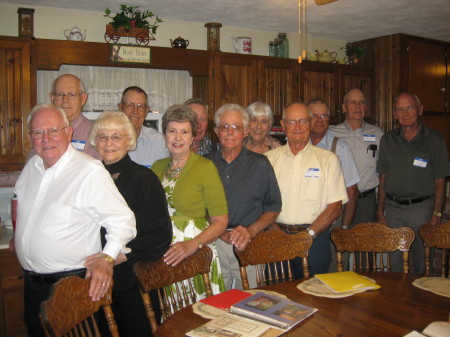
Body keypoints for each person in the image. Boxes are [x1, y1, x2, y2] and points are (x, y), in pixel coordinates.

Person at [14, 104, 136, 337]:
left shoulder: (88, 170)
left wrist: (106, 258)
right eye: (38, 132)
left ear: (68, 133)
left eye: (53, 130)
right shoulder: (31, 167)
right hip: (32, 286)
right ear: (30, 138)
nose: (45, 138)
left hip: (70, 287)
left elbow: (123, 221)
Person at [88, 111, 172, 336]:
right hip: (94, 281)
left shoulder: (144, 179)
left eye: (116, 136)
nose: (109, 143)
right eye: (103, 137)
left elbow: (160, 235)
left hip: (134, 282)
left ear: (129, 140)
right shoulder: (89, 178)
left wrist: (116, 256)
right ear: (95, 141)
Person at [151, 104, 228, 298]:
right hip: (164, 254)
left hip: (195, 254)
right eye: (172, 131)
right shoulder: (156, 167)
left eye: (184, 132)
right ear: (165, 135)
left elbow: (221, 222)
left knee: (200, 315)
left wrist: (193, 245)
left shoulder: (205, 167)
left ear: (193, 137)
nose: (178, 138)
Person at [266, 102, 348, 277]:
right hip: (276, 238)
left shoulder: (328, 160)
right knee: (277, 297)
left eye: (303, 121)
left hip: (315, 241)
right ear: (282, 126)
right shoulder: (268, 160)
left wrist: (309, 234)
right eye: (292, 121)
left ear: (311, 124)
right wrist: (276, 233)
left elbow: (335, 207)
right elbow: (260, 204)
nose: (297, 127)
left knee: (315, 297)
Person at [209, 103, 282, 290]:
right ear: (217, 131)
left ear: (245, 131)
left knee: (250, 304)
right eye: (225, 127)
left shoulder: (260, 164)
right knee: (215, 304)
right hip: (213, 244)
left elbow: (273, 206)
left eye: (236, 127)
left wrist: (250, 231)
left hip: (250, 244)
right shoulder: (205, 164)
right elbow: (199, 208)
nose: (230, 132)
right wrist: (220, 232)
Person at [377, 92, 450, 274]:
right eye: (400, 109)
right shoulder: (388, 139)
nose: (405, 113)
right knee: (394, 264)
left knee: (422, 263)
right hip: (393, 210)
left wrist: (437, 214)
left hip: (422, 210)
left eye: (409, 107)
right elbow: (383, 179)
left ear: (420, 110)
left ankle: (419, 301)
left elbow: (441, 181)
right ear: (394, 114)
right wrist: (380, 211)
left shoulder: (434, 140)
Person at [309, 99, 360, 272]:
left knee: (333, 274)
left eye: (323, 115)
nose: (319, 120)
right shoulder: (298, 145)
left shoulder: (340, 147)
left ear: (329, 119)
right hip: (306, 223)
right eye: (314, 116)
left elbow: (352, 191)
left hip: (332, 221)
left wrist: (344, 228)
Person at [330, 89, 384, 226]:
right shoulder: (332, 133)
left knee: (365, 245)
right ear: (344, 107)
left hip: (366, 202)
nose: (358, 106)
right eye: (353, 102)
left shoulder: (377, 134)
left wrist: (381, 208)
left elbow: (384, 172)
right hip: (340, 202)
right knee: (338, 243)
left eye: (362, 102)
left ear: (366, 107)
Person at [35, 74, 99, 159]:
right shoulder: (41, 133)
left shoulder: (96, 133)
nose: (65, 100)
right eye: (59, 95)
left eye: (72, 95)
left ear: (83, 99)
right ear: (52, 98)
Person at [118, 86, 169, 167]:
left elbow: (161, 176)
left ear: (146, 111)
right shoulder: (108, 140)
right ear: (120, 108)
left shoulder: (157, 141)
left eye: (140, 106)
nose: (135, 111)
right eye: (130, 105)